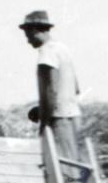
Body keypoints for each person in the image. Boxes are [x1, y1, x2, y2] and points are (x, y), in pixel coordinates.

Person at [20, 11, 83, 163]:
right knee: (77, 162)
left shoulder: (46, 52)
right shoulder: (63, 49)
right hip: (74, 114)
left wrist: (44, 121)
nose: (27, 40)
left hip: (59, 117)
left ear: (35, 30)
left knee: (63, 167)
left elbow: (51, 90)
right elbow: (76, 88)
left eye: (27, 34)